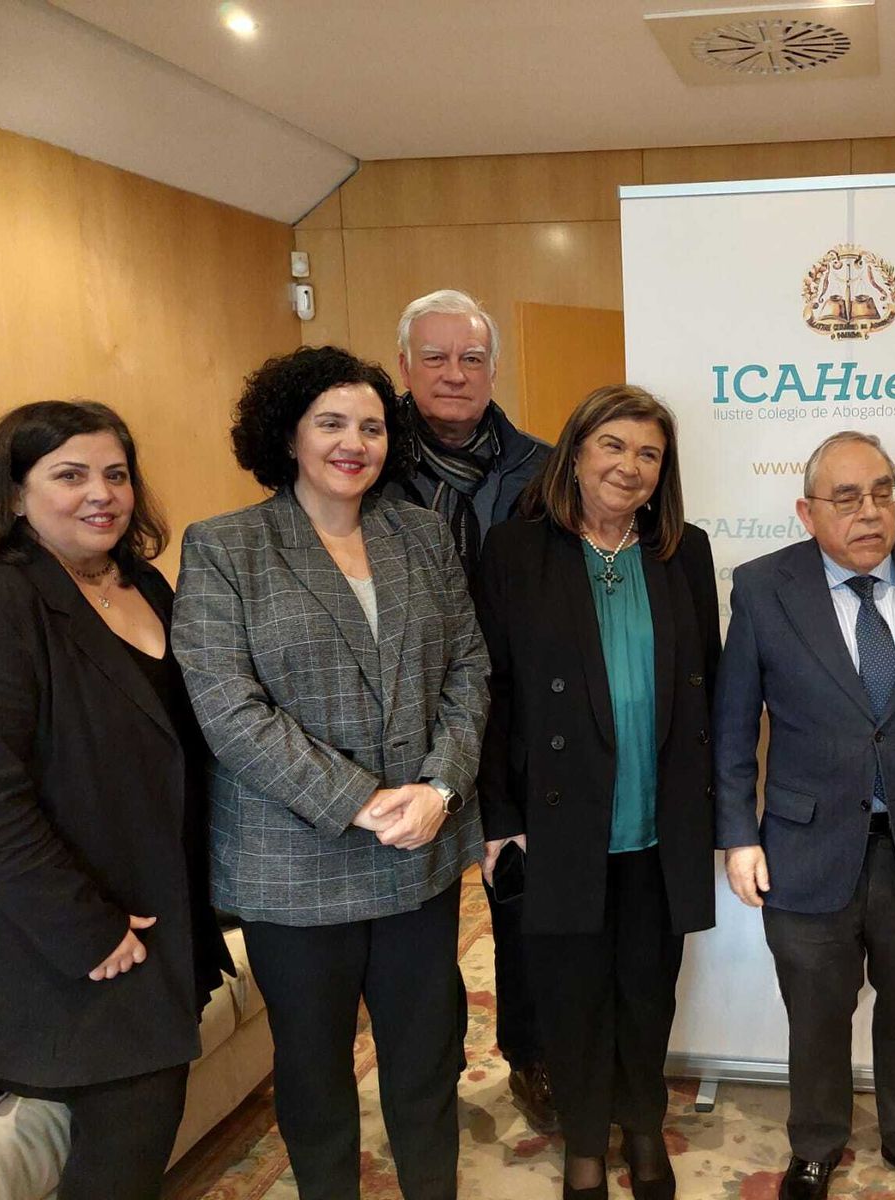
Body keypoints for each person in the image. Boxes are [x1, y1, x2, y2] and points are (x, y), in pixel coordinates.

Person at [172, 346, 488, 1200]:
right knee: (314, 1080)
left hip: (419, 852)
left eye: (374, 426)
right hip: (295, 868)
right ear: (288, 434)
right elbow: (228, 710)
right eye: (332, 424)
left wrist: (442, 787)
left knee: (426, 1063)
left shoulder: (420, 533)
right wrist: (359, 801)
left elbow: (469, 668)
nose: (356, 443)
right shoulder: (226, 547)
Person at [0, 401, 229, 1200]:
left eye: (116, 474)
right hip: (63, 946)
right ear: (15, 495)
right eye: (69, 475)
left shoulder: (147, 586)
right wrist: (88, 931)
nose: (101, 493)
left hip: (155, 918)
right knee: (125, 1157)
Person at [714, 430, 895, 1200]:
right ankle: (815, 1144)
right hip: (807, 846)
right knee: (815, 1014)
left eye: (882, 492)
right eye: (846, 499)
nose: (870, 512)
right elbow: (734, 724)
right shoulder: (763, 587)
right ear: (807, 511)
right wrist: (738, 836)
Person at [475, 385, 720, 1200]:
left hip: (661, 818)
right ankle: (585, 1139)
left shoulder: (686, 553)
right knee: (572, 993)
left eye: (648, 453)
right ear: (574, 453)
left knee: (648, 989)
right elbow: (492, 692)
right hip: (557, 823)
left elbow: (707, 690)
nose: (630, 466)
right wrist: (499, 819)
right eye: (612, 446)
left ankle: (643, 1126)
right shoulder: (514, 552)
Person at [382, 287, 557, 1131]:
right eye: (437, 357)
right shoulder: (363, 462)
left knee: (520, 891)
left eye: (473, 358)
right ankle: (434, 1071)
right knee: (423, 908)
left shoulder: (544, 466)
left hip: (517, 708)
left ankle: (533, 1058)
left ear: (494, 368)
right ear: (404, 366)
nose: (455, 374)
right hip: (402, 712)